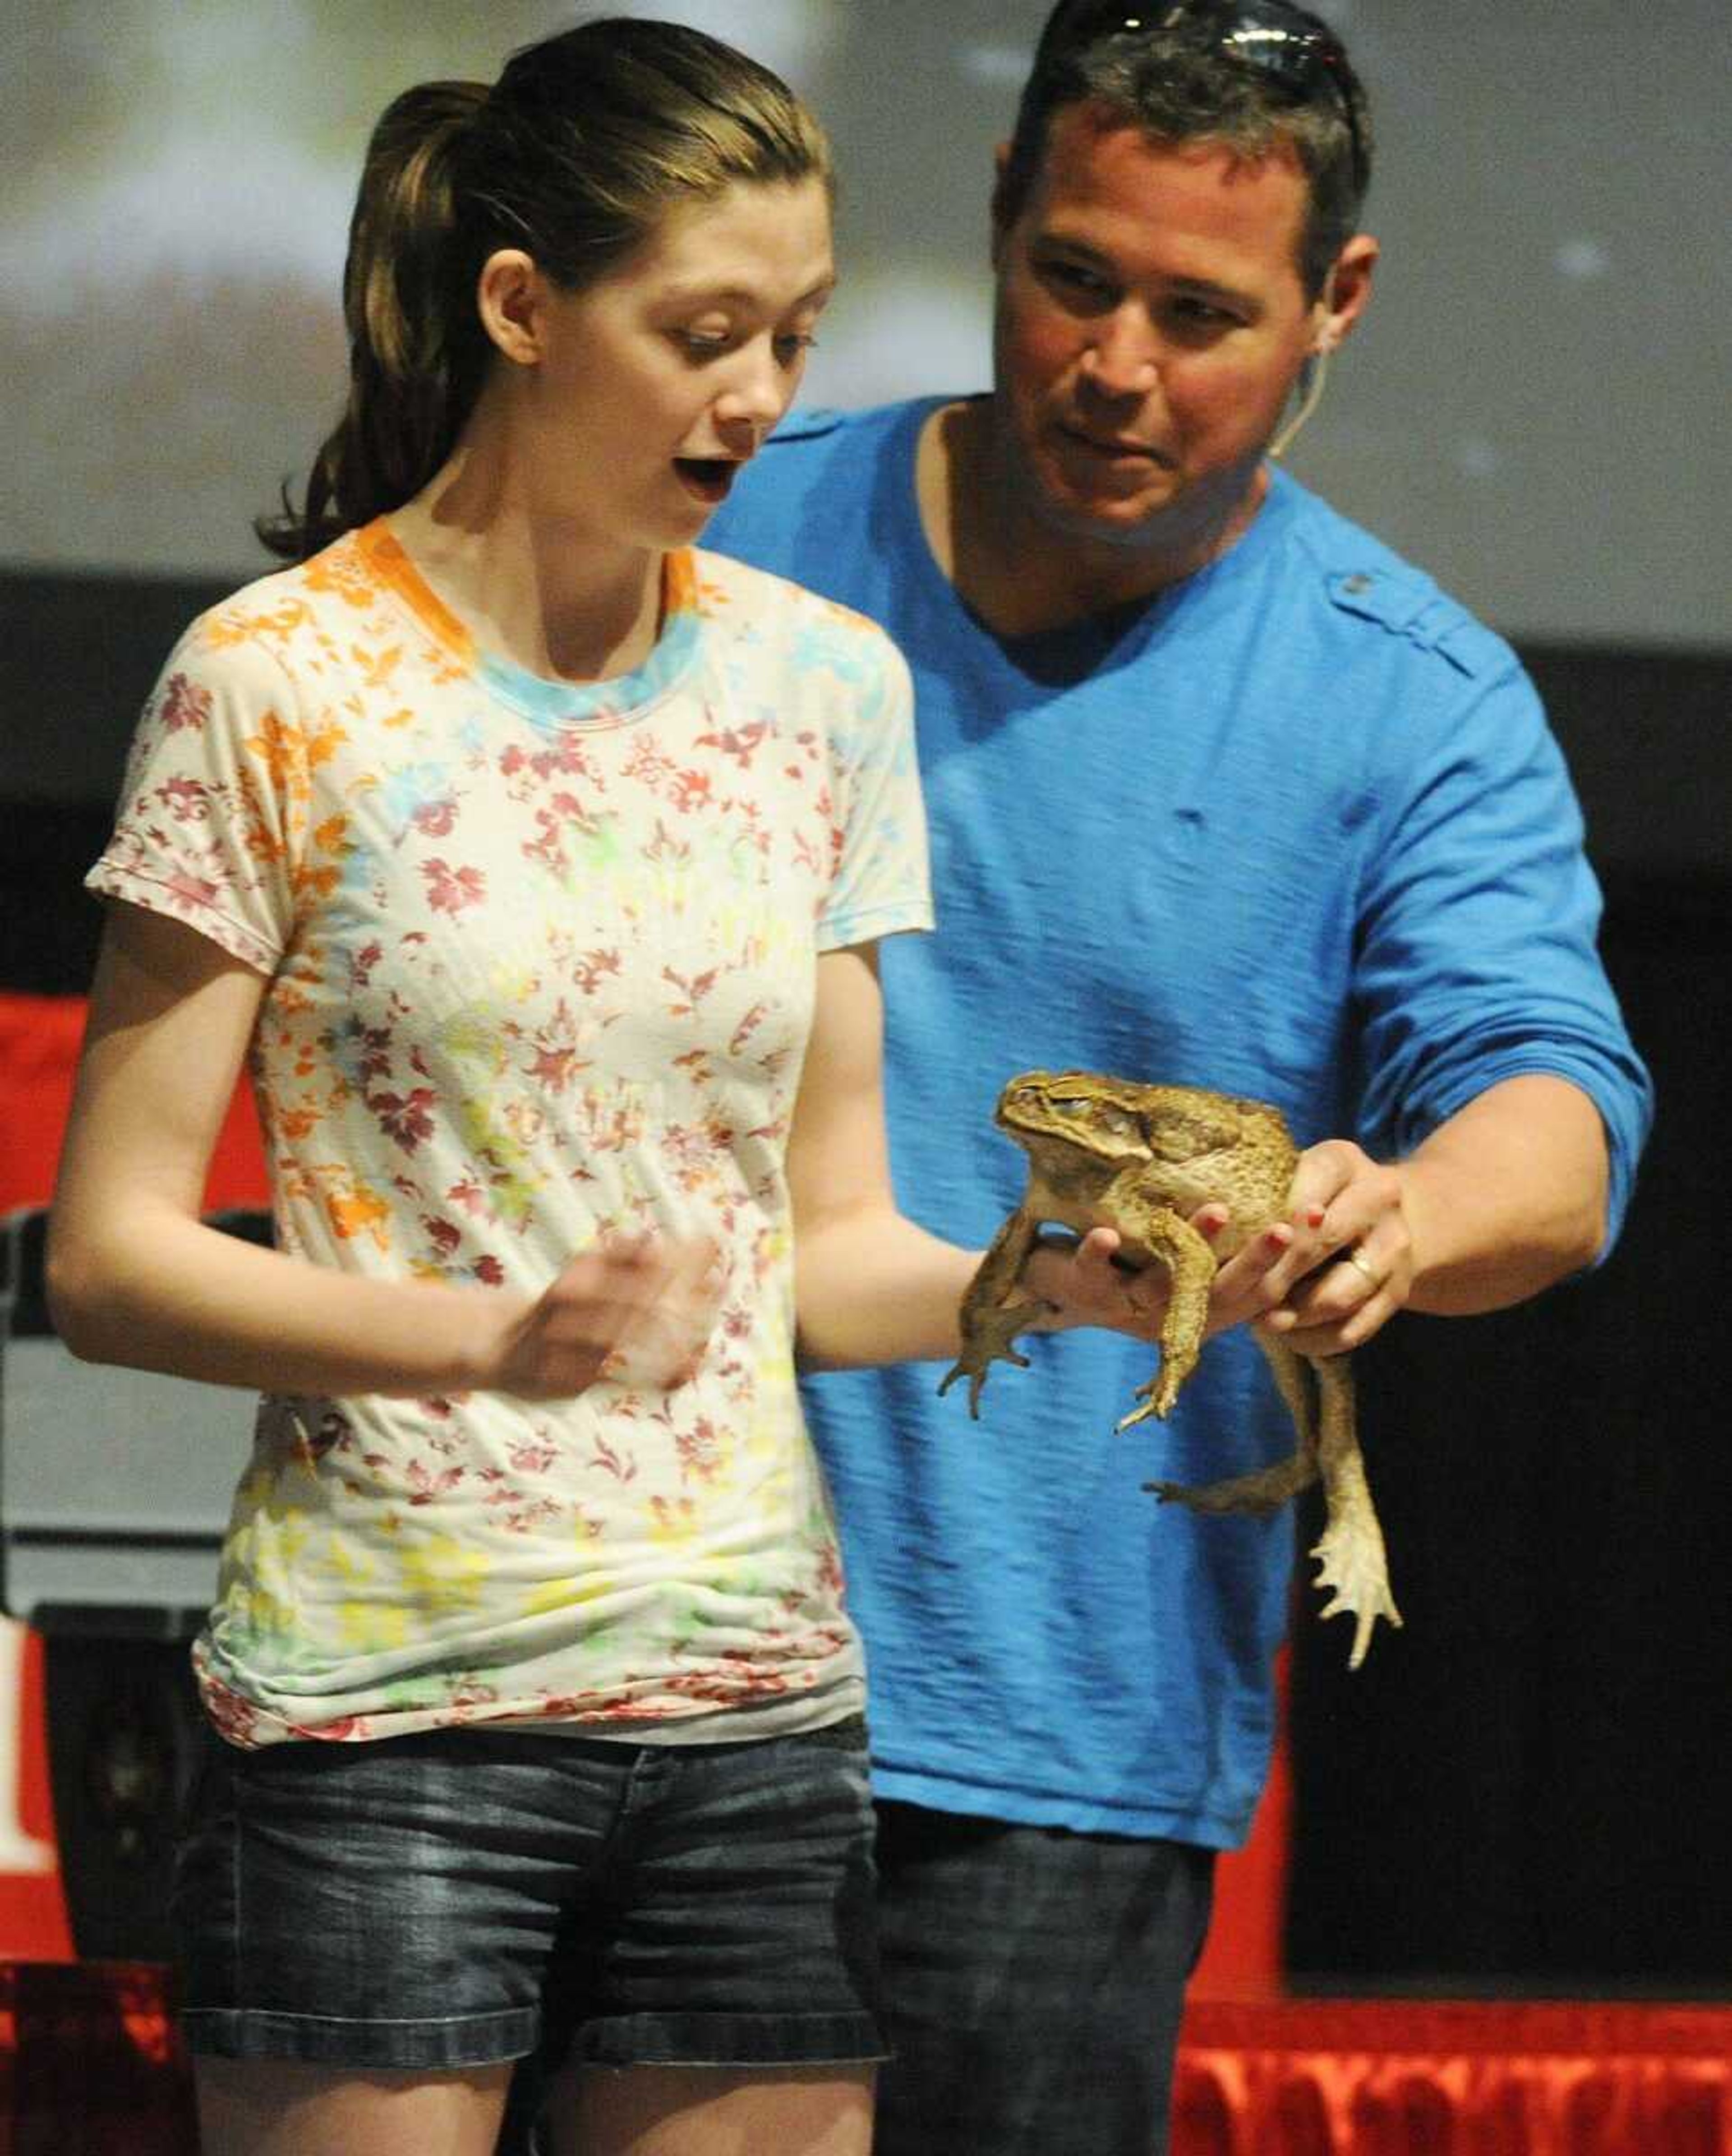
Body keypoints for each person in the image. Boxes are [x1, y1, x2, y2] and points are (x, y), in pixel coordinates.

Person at [44, 20, 1209, 2156]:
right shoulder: (280, 680)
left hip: (756, 1712)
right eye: (703, 334)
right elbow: (111, 1261)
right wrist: (478, 1339)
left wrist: (1048, 1284)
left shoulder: (818, 689)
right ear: (519, 309)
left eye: (793, 334)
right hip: (389, 1718)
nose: (760, 395)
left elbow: (831, 1249)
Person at [705, 3, 1655, 2151]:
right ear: (997, 226)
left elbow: (1556, 1115)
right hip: (604, 1647)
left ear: (1341, 301)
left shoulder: (1408, 699)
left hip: (1048, 1728)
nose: (1116, 363)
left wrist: (1410, 1207)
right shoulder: (721, 546)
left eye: (1201, 310)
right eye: (1072, 276)